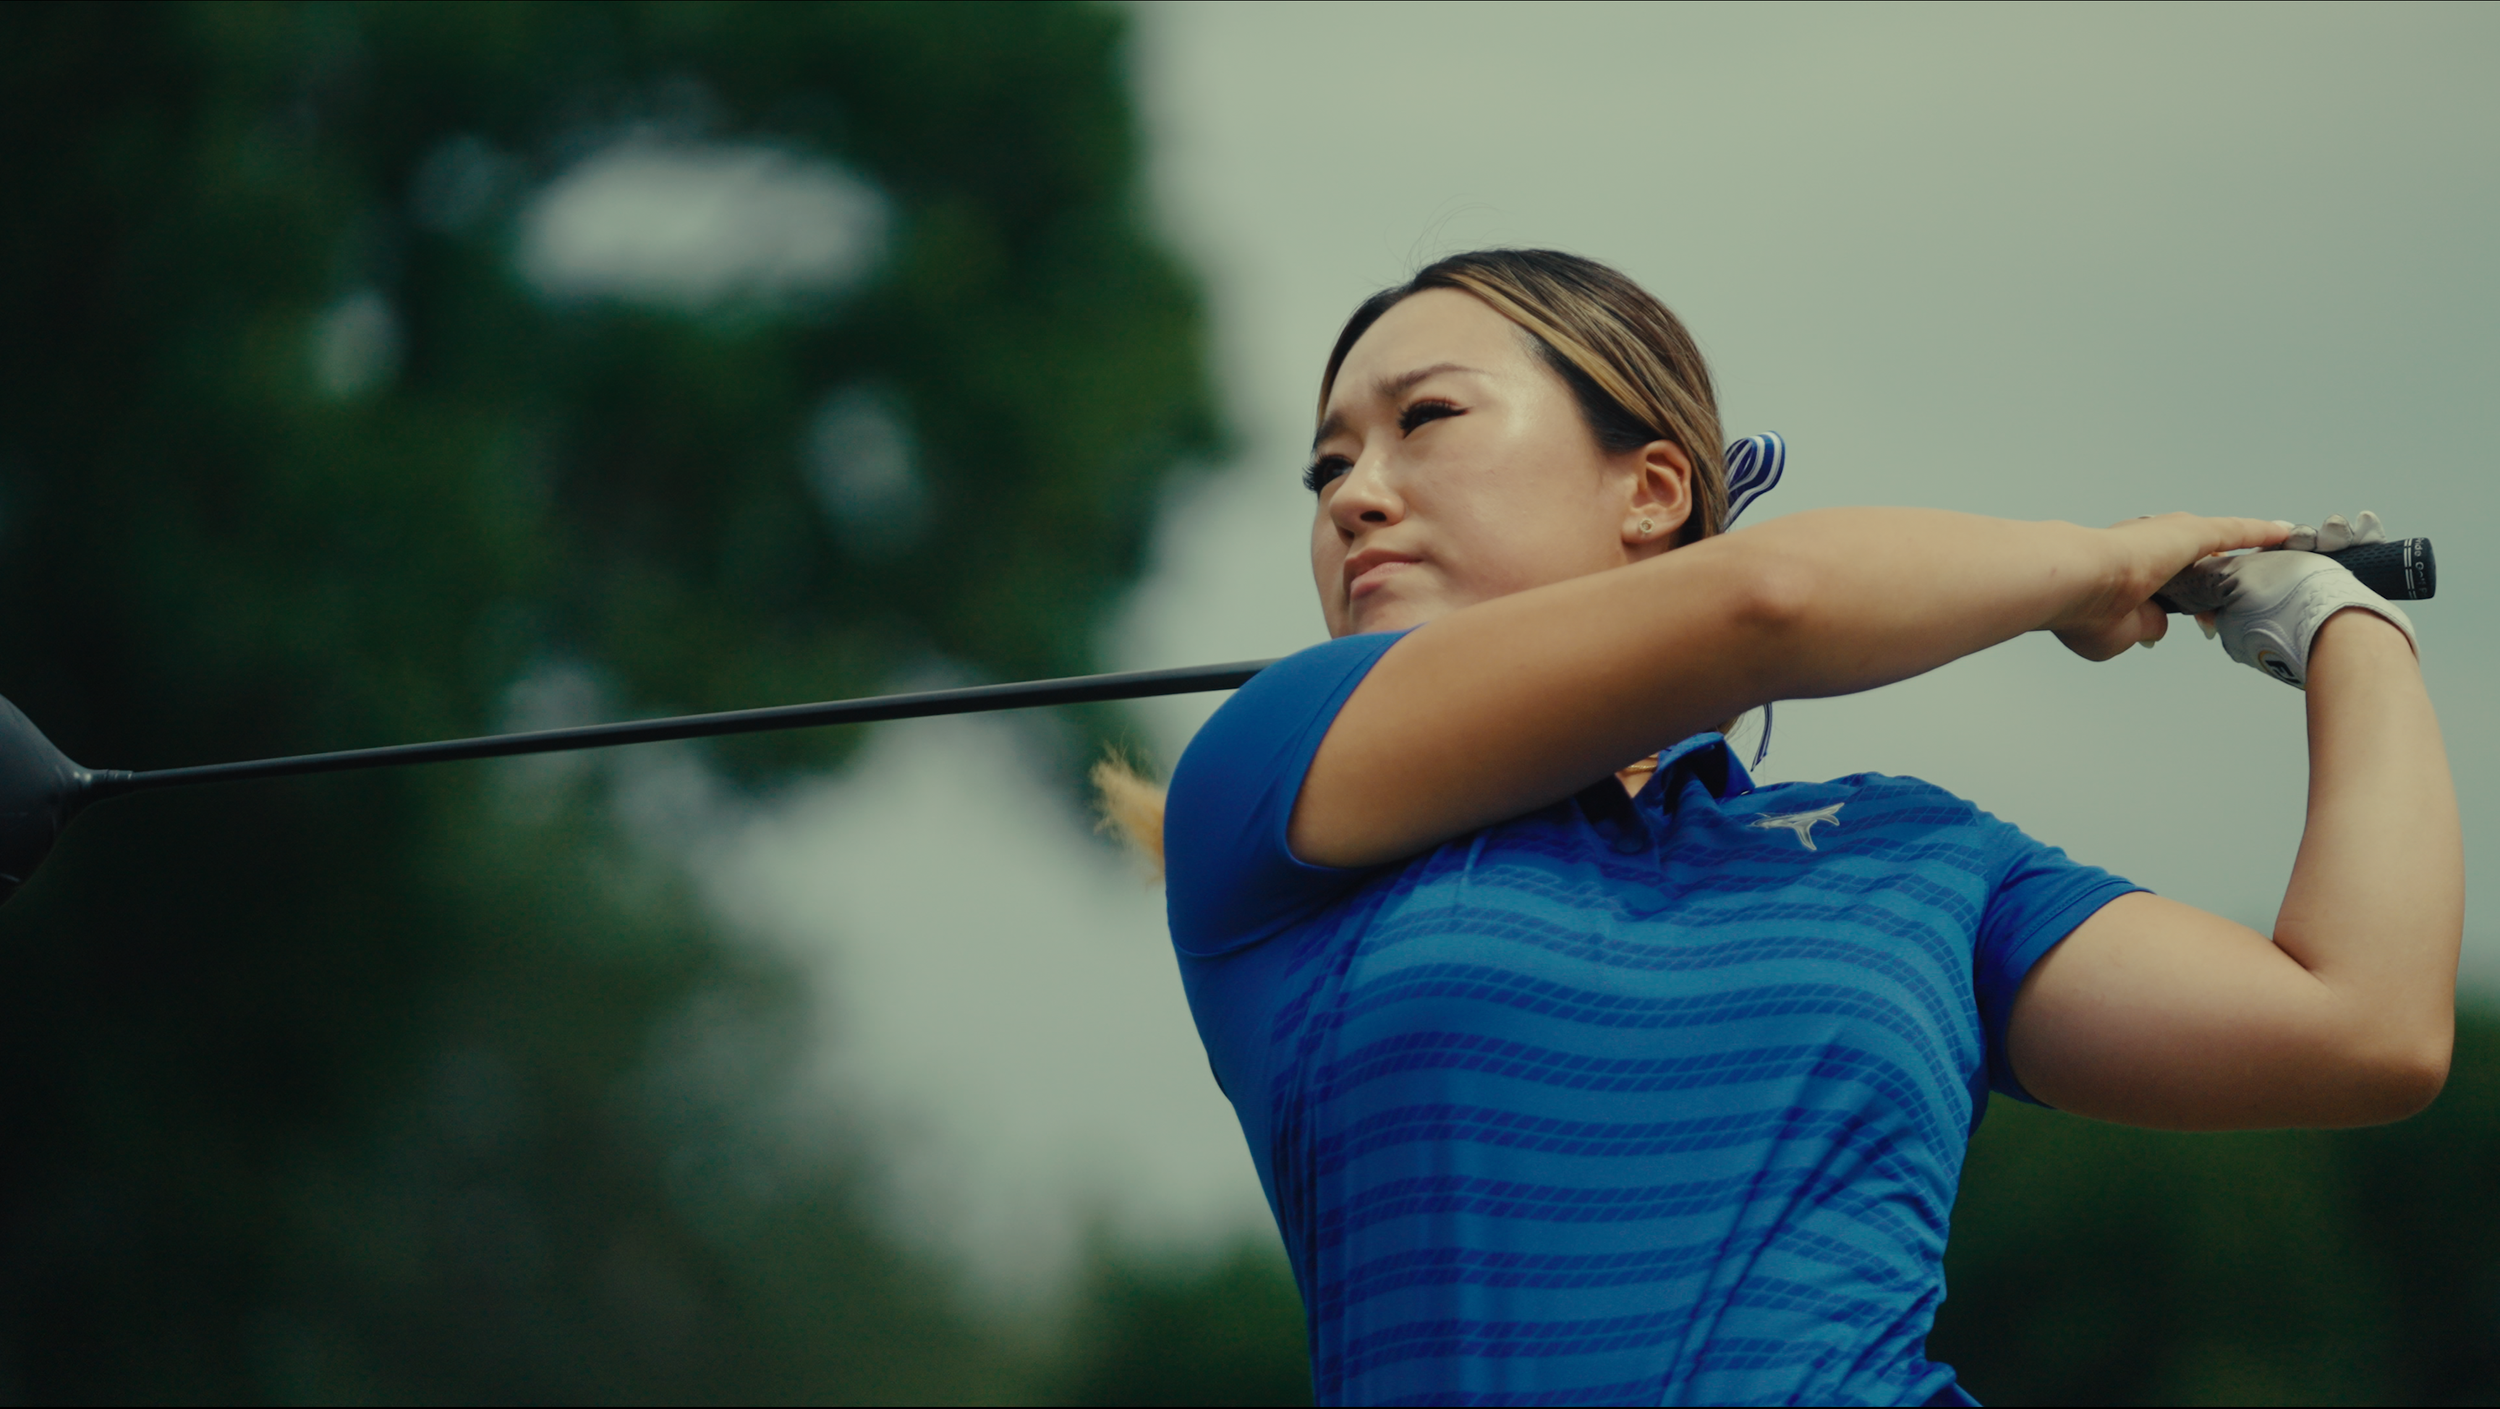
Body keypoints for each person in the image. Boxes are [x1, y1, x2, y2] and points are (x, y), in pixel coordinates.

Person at [1095, 249, 2460, 1406]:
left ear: (1652, 489)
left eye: (1426, 418)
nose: (1352, 491)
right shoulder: (1267, 781)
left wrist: (2343, 625)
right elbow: (1774, 602)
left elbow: (2361, 1025)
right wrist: (2097, 565)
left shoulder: (1912, 857)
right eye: (1326, 464)